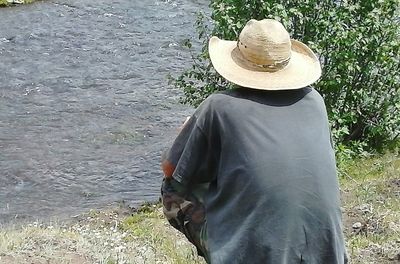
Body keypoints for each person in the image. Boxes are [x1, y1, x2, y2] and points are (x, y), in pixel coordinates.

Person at [161, 18, 348, 264]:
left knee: (173, 190)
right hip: (327, 254)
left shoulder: (219, 107)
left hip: (256, 257)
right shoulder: (315, 102)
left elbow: (171, 169)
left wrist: (187, 131)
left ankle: (228, 250)